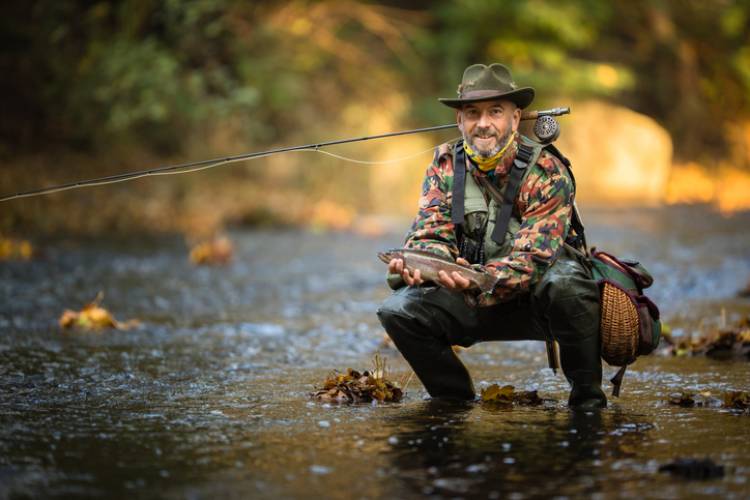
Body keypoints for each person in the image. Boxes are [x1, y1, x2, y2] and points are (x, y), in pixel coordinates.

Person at [376, 63, 607, 409]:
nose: (483, 123)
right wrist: (423, 266)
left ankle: (587, 401)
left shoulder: (547, 171)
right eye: (472, 113)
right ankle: (451, 400)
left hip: (536, 303)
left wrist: (475, 281)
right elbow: (429, 233)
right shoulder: (442, 165)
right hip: (466, 296)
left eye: (495, 111)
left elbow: (536, 258)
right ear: (460, 121)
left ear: (515, 119)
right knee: (398, 309)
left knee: (569, 284)